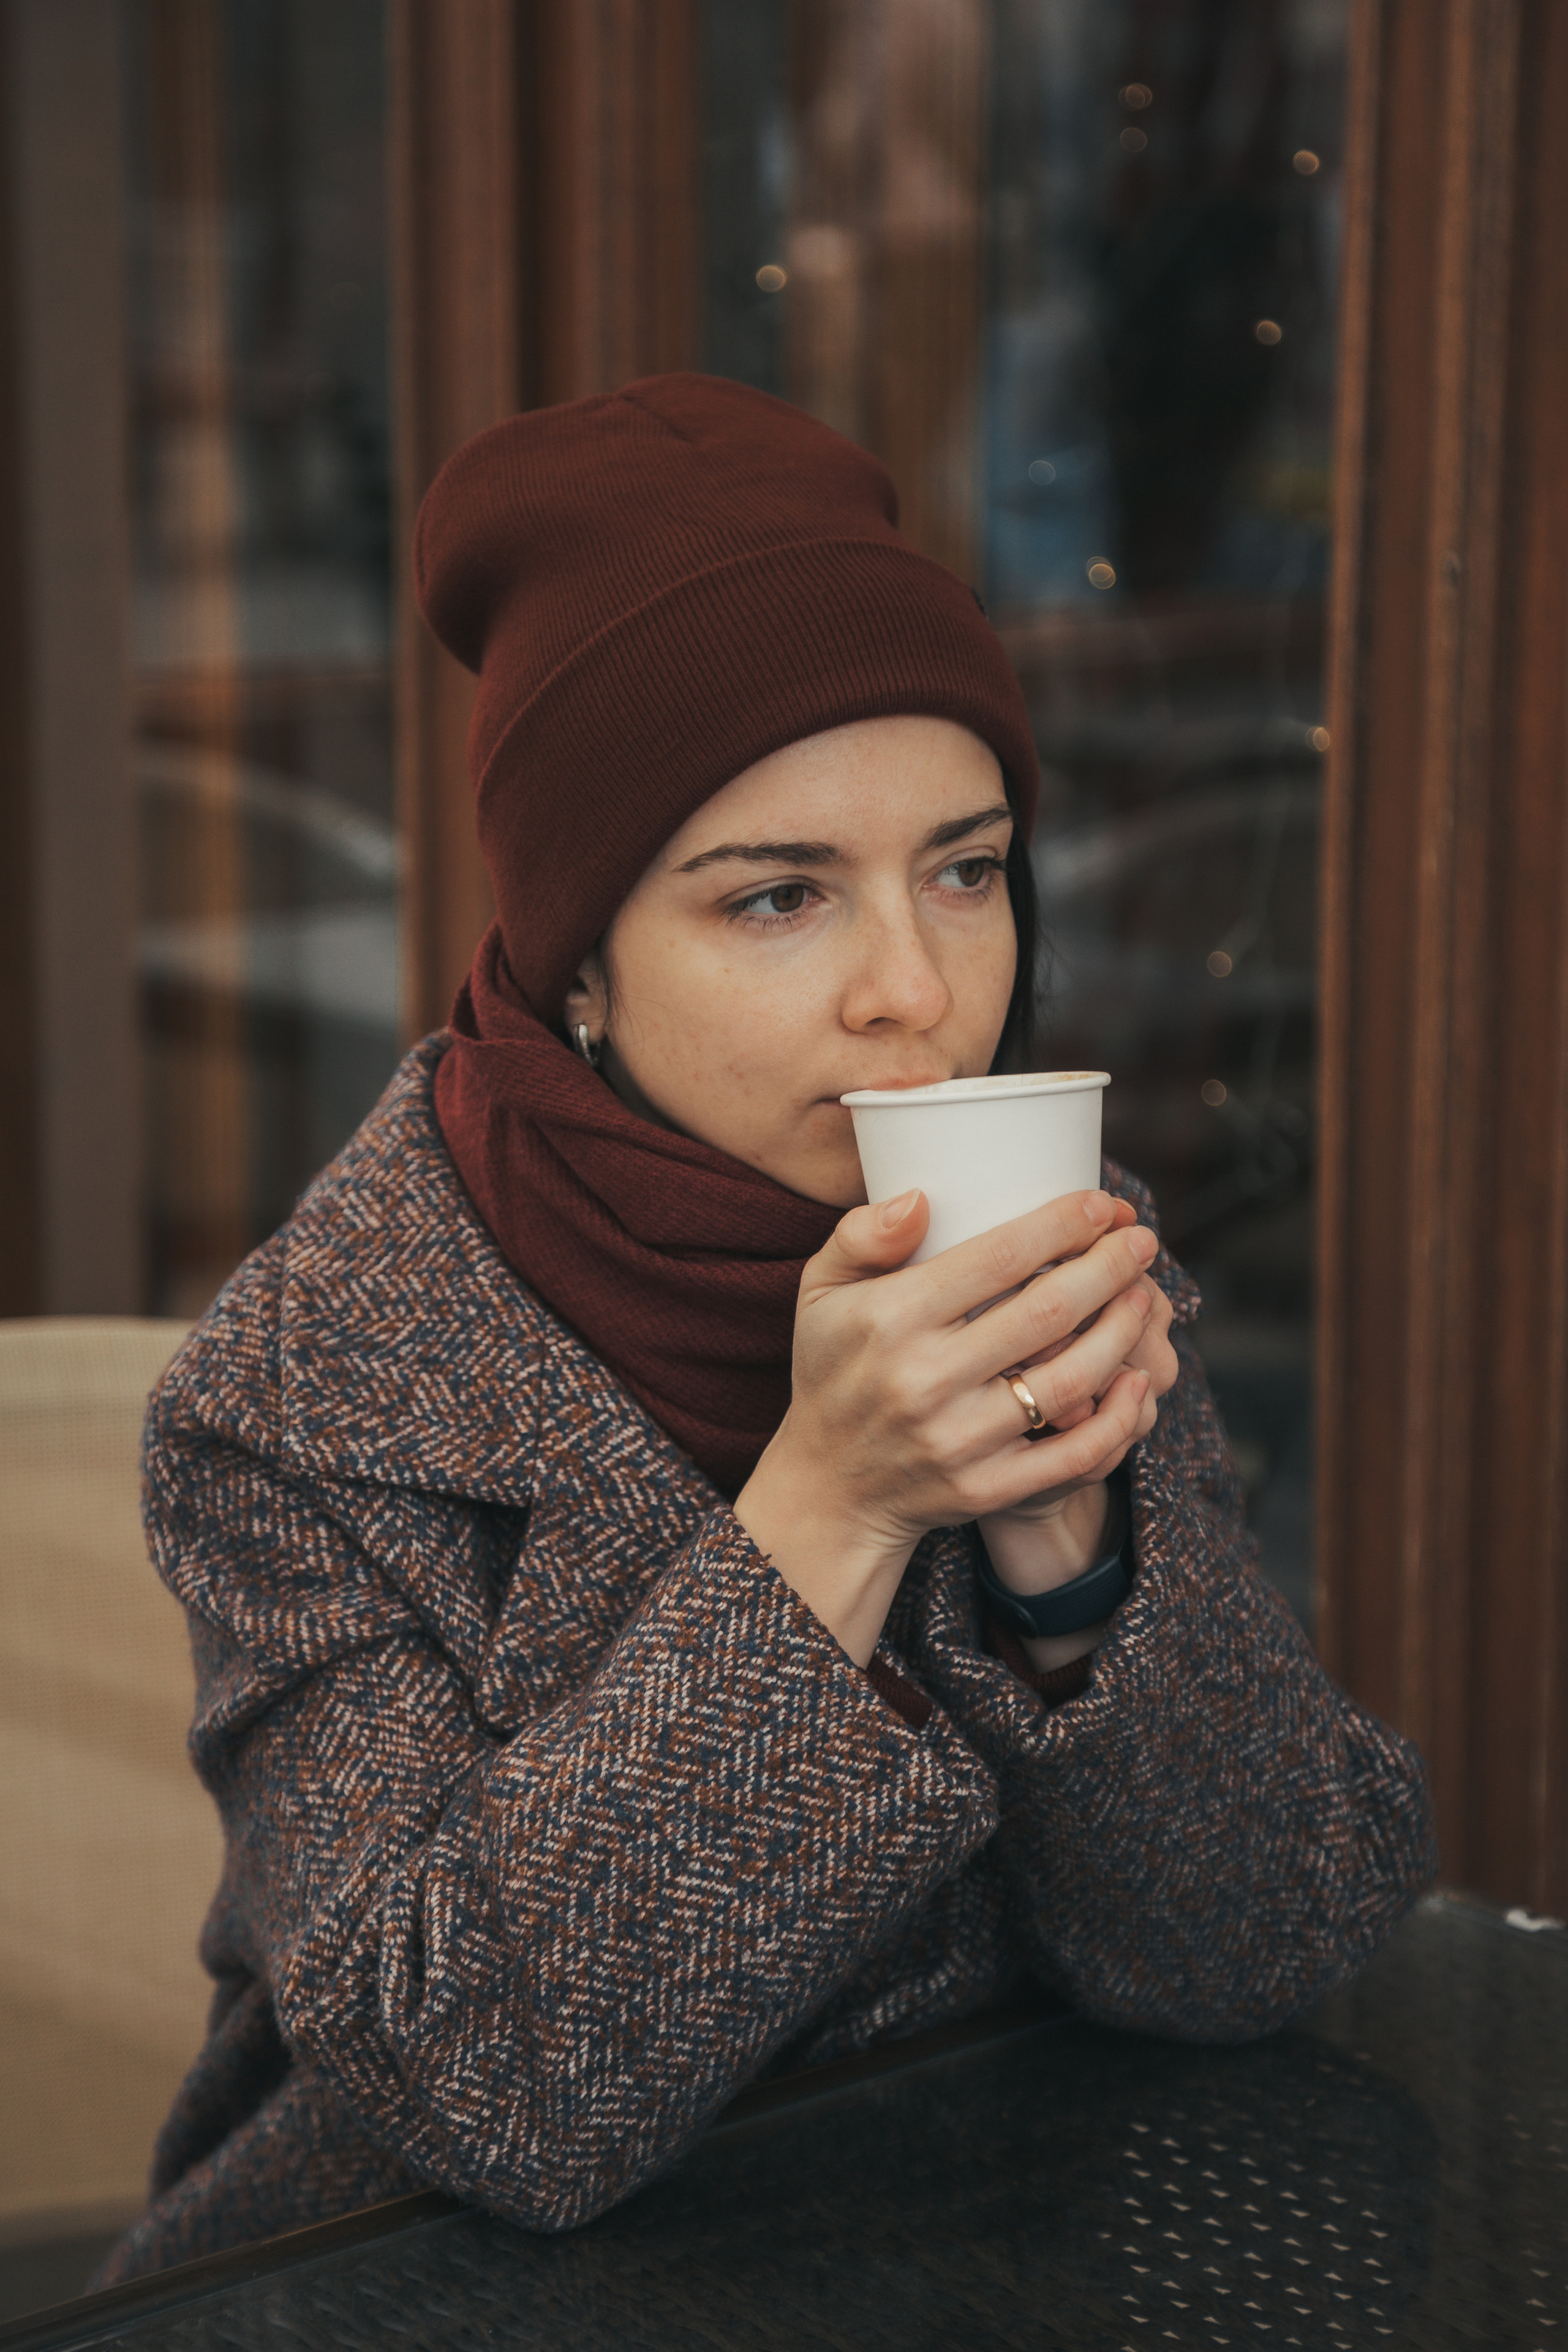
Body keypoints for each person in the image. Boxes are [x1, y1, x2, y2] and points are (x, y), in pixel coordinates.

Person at [99, 375, 1434, 2285]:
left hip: (968, 2248)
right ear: (580, 964)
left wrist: (1072, 1558)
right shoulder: (302, 1394)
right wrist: (836, 1507)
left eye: (967, 871)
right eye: (780, 898)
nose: (918, 993)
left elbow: (1258, 1949)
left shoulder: (1052, 1253)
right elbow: (478, 2095)